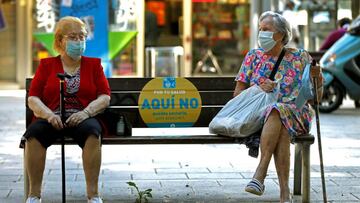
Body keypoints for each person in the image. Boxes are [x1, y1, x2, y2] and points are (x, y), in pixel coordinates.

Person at [233, 11, 323, 203]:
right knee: (279, 117)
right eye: (260, 30)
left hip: (298, 114)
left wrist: (318, 79)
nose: (261, 34)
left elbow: (315, 99)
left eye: (266, 30)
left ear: (281, 35)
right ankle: (284, 194)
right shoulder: (253, 57)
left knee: (278, 111)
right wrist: (259, 89)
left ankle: (260, 174)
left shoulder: (301, 57)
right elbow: (237, 96)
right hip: (260, 117)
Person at [20, 16, 110, 203]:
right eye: (73, 37)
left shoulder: (94, 65)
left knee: (93, 132)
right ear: (60, 40)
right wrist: (48, 115)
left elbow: (104, 97)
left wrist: (86, 112)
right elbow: (33, 98)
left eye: (82, 37)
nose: (79, 41)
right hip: (52, 117)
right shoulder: (46, 65)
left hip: (83, 117)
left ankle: (93, 195)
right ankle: (34, 196)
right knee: (34, 134)